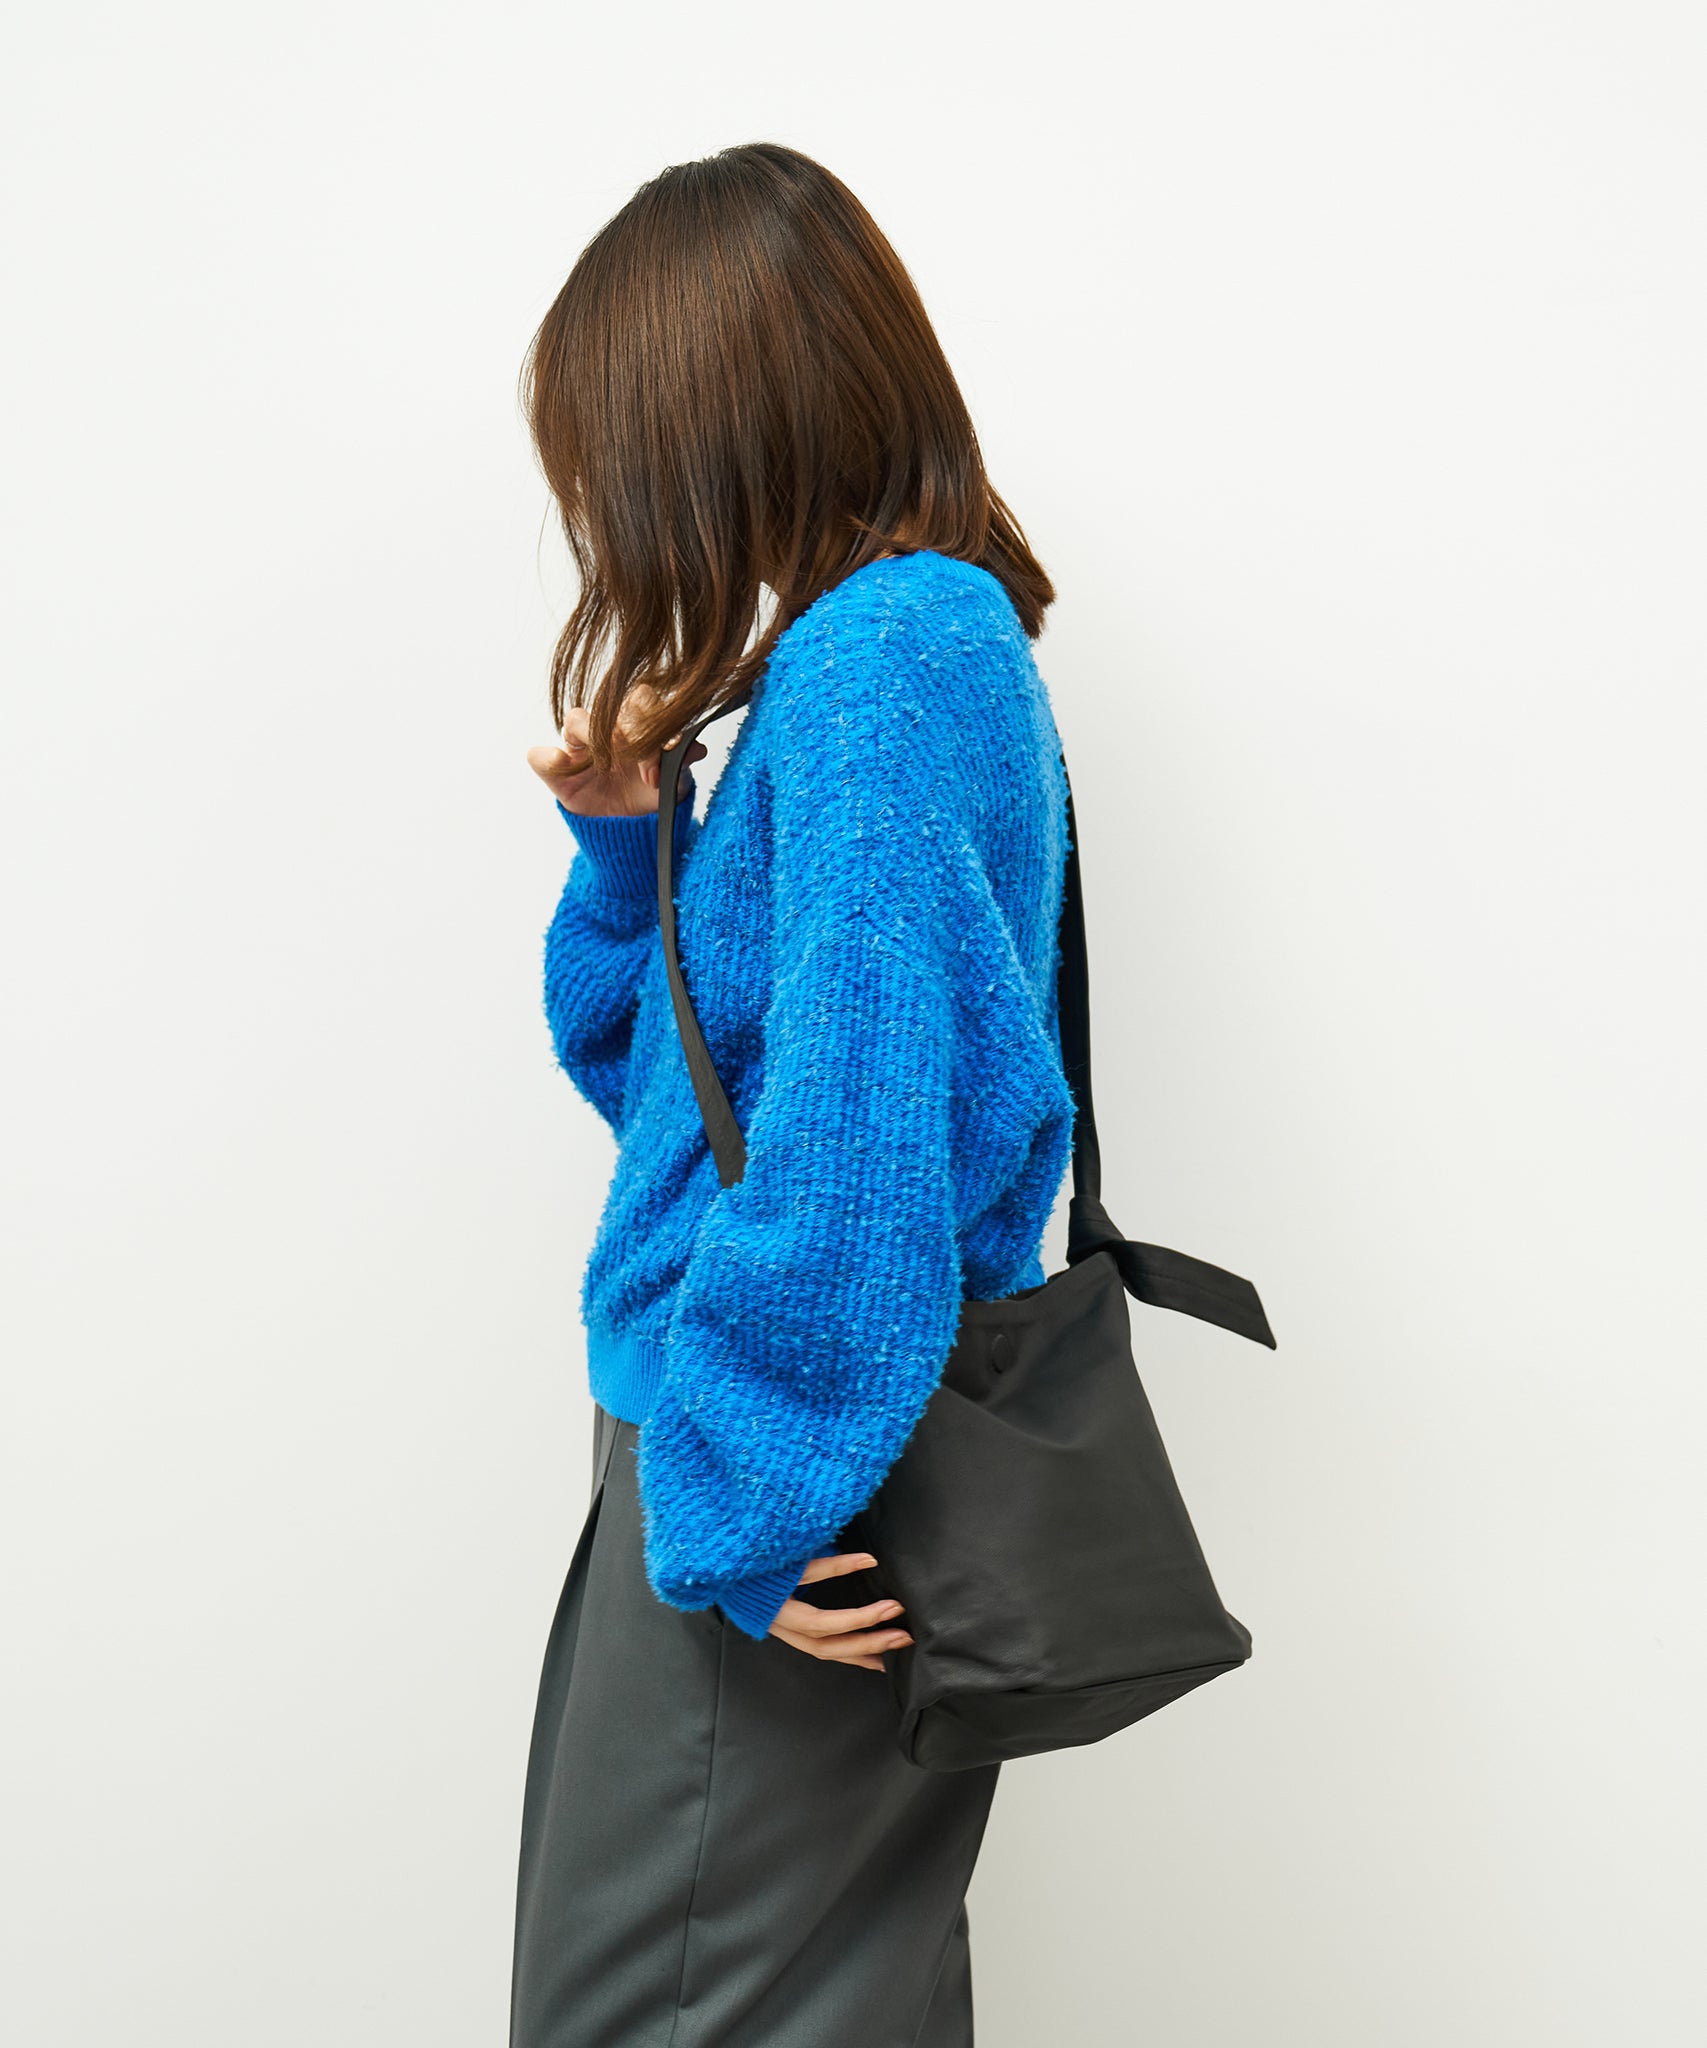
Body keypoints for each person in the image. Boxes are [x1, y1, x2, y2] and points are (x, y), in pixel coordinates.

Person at [510, 142, 1076, 2048]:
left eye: (614, 450)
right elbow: (689, 1110)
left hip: (775, 1493)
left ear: (716, 418)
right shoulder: (919, 645)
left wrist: (745, 1505)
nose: (605, 503)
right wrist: (632, 851)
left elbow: (857, 1149)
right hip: (787, 1470)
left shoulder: (877, 665)